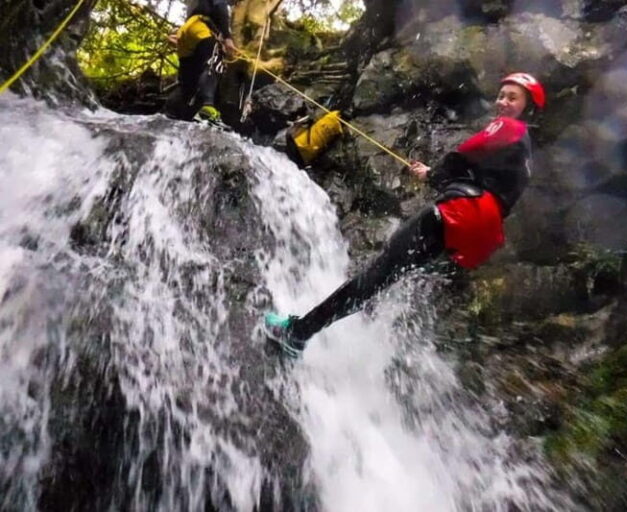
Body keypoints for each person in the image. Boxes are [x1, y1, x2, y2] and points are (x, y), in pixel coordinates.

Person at [266, 72, 546, 357]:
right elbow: (484, 181)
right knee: (384, 277)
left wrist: (432, 174)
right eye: (501, 96)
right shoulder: (523, 153)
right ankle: (309, 331)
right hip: (475, 234)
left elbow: (465, 152)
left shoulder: (509, 127)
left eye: (512, 98)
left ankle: (297, 333)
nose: (502, 102)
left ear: (528, 107)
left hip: (463, 213)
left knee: (378, 272)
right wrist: (436, 176)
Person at [165, 0, 239, 123]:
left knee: (188, 80)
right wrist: (227, 37)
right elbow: (220, 7)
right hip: (201, 28)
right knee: (214, 63)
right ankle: (207, 108)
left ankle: (172, 113)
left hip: (186, 30)